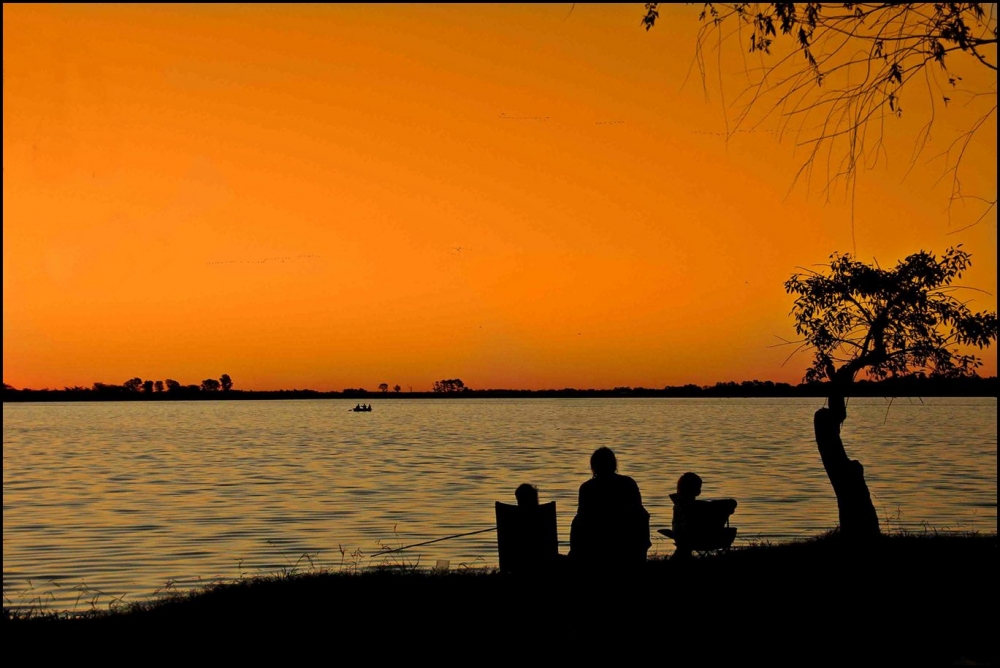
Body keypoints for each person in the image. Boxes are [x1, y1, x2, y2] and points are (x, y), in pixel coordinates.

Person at [569, 447, 651, 571]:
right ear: (614, 464)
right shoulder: (628, 483)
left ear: (593, 466)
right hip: (628, 547)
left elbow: (582, 520)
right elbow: (640, 515)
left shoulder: (588, 488)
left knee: (577, 522)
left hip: (596, 547)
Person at [669, 472, 737, 560]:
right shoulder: (695, 506)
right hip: (699, 538)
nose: (699, 490)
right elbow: (732, 503)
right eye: (698, 487)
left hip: (682, 537)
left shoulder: (679, 504)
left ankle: (681, 555)